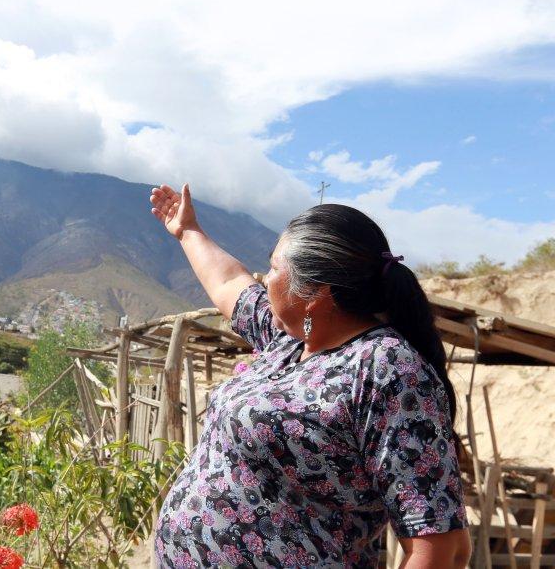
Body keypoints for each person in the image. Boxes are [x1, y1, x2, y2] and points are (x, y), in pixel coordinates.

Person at [149, 183, 470, 568]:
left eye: (273, 268)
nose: (264, 279)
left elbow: (437, 544)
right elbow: (228, 283)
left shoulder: (386, 370)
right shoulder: (288, 342)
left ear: (316, 291)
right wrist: (188, 230)